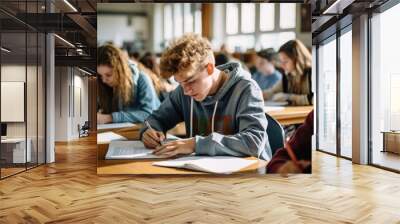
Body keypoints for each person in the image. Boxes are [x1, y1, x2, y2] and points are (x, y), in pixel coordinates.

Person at [140, 34, 272, 160]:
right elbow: (155, 119)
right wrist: (148, 131)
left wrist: (195, 144)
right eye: (180, 83)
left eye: (190, 81)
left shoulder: (246, 89)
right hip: (202, 172)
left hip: (249, 174)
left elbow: (254, 141)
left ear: (209, 68)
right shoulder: (184, 90)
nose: (186, 91)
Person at [97, 44, 160, 124]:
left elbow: (149, 114)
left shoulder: (142, 79)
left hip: (154, 130)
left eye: (108, 75)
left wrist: (110, 117)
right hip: (124, 131)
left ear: (120, 70)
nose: (104, 80)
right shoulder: (104, 84)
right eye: (100, 76)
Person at [263, 40, 312, 106]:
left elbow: (315, 99)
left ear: (297, 59)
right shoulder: (288, 74)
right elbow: (272, 91)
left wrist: (290, 97)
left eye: (285, 62)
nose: (282, 65)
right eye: (281, 61)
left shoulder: (312, 73)